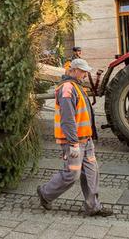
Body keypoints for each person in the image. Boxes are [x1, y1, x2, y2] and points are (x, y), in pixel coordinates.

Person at [36, 58, 112, 217]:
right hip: (74, 142)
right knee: (72, 174)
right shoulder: (67, 90)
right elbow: (67, 119)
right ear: (74, 70)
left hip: (86, 140)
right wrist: (73, 144)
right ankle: (45, 193)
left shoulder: (77, 87)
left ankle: (93, 207)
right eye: (83, 71)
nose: (85, 74)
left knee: (92, 172)